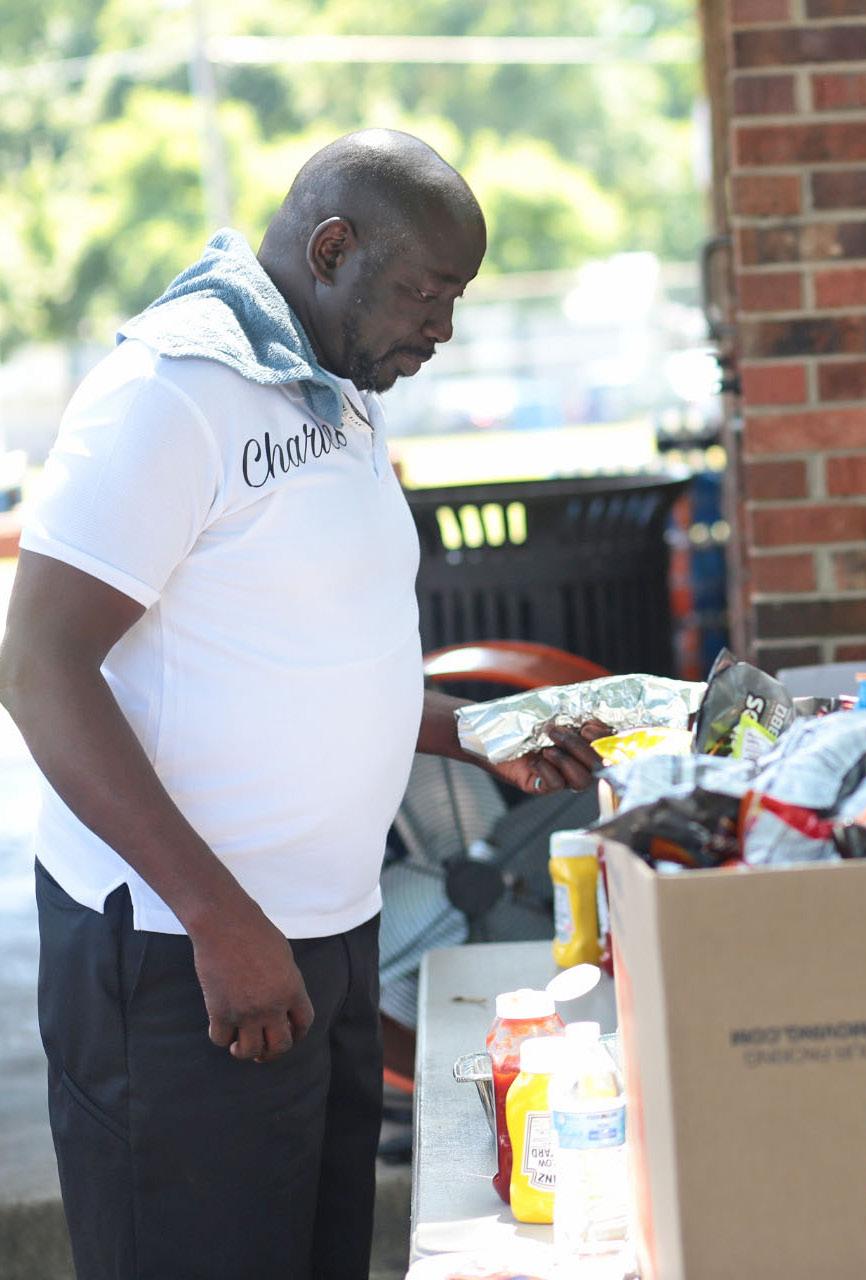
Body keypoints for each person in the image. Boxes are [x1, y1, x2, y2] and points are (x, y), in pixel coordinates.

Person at [0, 130, 602, 1280]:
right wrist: (219, 918)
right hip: (184, 956)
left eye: (458, 297)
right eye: (427, 291)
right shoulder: (168, 395)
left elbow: (308, 654)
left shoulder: (340, 388)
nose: (445, 326)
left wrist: (471, 730)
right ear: (333, 250)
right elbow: (38, 669)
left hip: (325, 932)